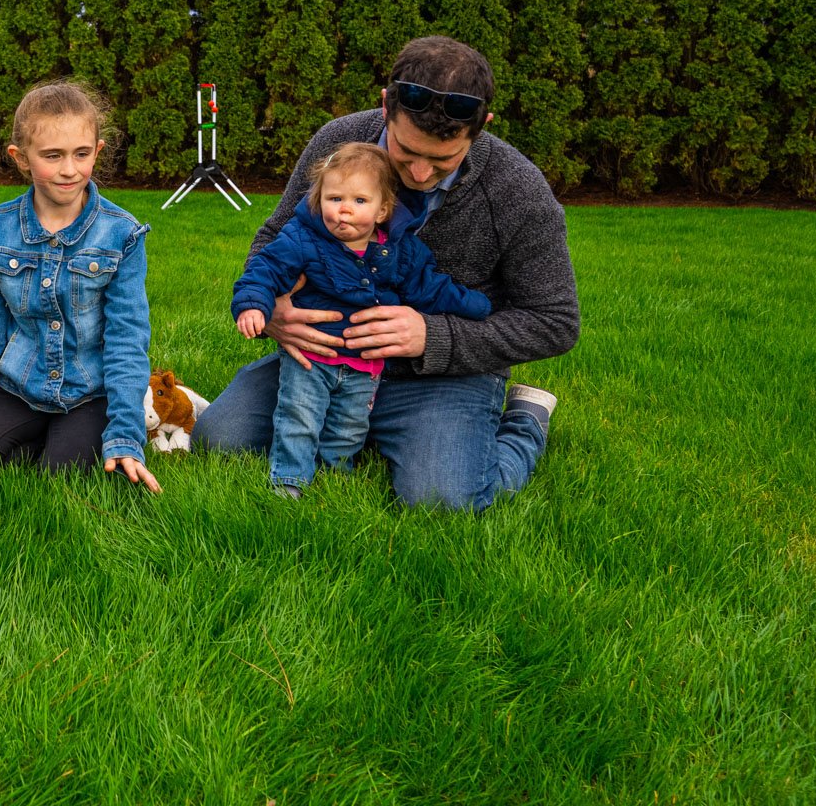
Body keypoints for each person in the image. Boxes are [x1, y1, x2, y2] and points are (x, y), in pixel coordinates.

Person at [195, 36, 579, 511]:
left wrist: (434, 337)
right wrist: (273, 309)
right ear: (385, 105)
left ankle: (525, 420)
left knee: (441, 499)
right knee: (219, 440)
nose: (419, 173)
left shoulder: (517, 189)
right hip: (326, 355)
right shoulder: (338, 143)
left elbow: (556, 321)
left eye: (442, 160)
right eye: (404, 152)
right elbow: (275, 237)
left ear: (482, 128)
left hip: (443, 376)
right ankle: (379, 434)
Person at [0, 81, 161, 492]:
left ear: (97, 151)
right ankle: (36, 437)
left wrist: (125, 436)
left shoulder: (123, 235)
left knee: (63, 478)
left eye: (82, 154)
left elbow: (127, 340)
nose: (69, 169)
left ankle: (66, 443)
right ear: (21, 158)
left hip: (90, 393)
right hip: (20, 388)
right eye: (52, 156)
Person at [232, 141, 493, 498]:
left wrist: (475, 305)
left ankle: (335, 477)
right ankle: (288, 481)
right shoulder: (302, 239)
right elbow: (266, 268)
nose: (344, 211)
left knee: (349, 426)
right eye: (334, 198)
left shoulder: (399, 252)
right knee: (299, 419)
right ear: (317, 199)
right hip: (311, 357)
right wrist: (253, 305)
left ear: (383, 209)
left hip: (365, 364)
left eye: (359, 201)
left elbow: (429, 287)